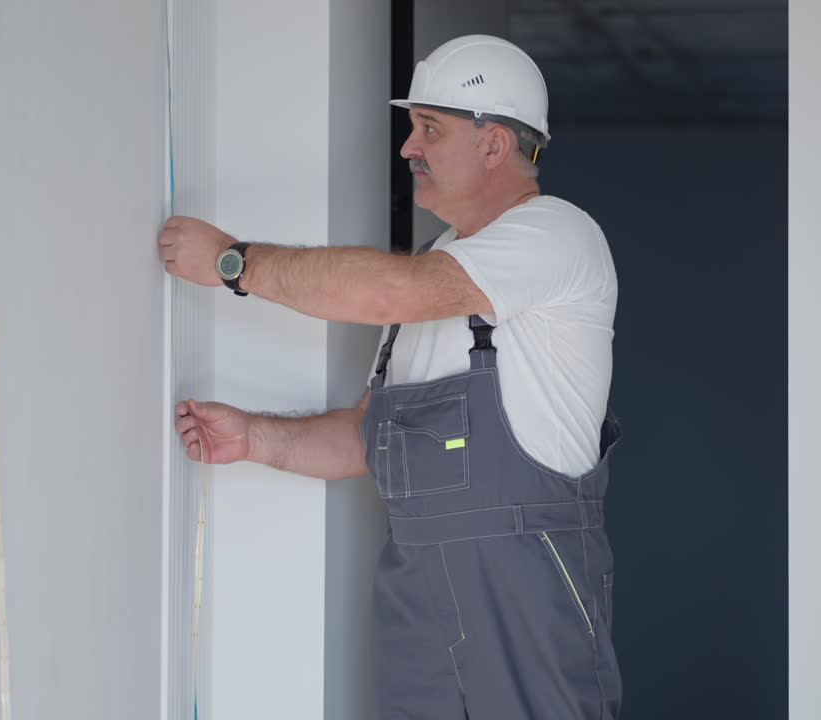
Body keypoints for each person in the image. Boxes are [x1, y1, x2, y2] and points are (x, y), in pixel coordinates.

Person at [161, 34, 621, 719]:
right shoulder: (433, 262)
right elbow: (367, 437)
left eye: (429, 129)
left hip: (522, 583)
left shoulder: (555, 236)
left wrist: (234, 263)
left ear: (494, 146)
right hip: (418, 597)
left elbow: (388, 293)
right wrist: (255, 438)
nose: (408, 148)